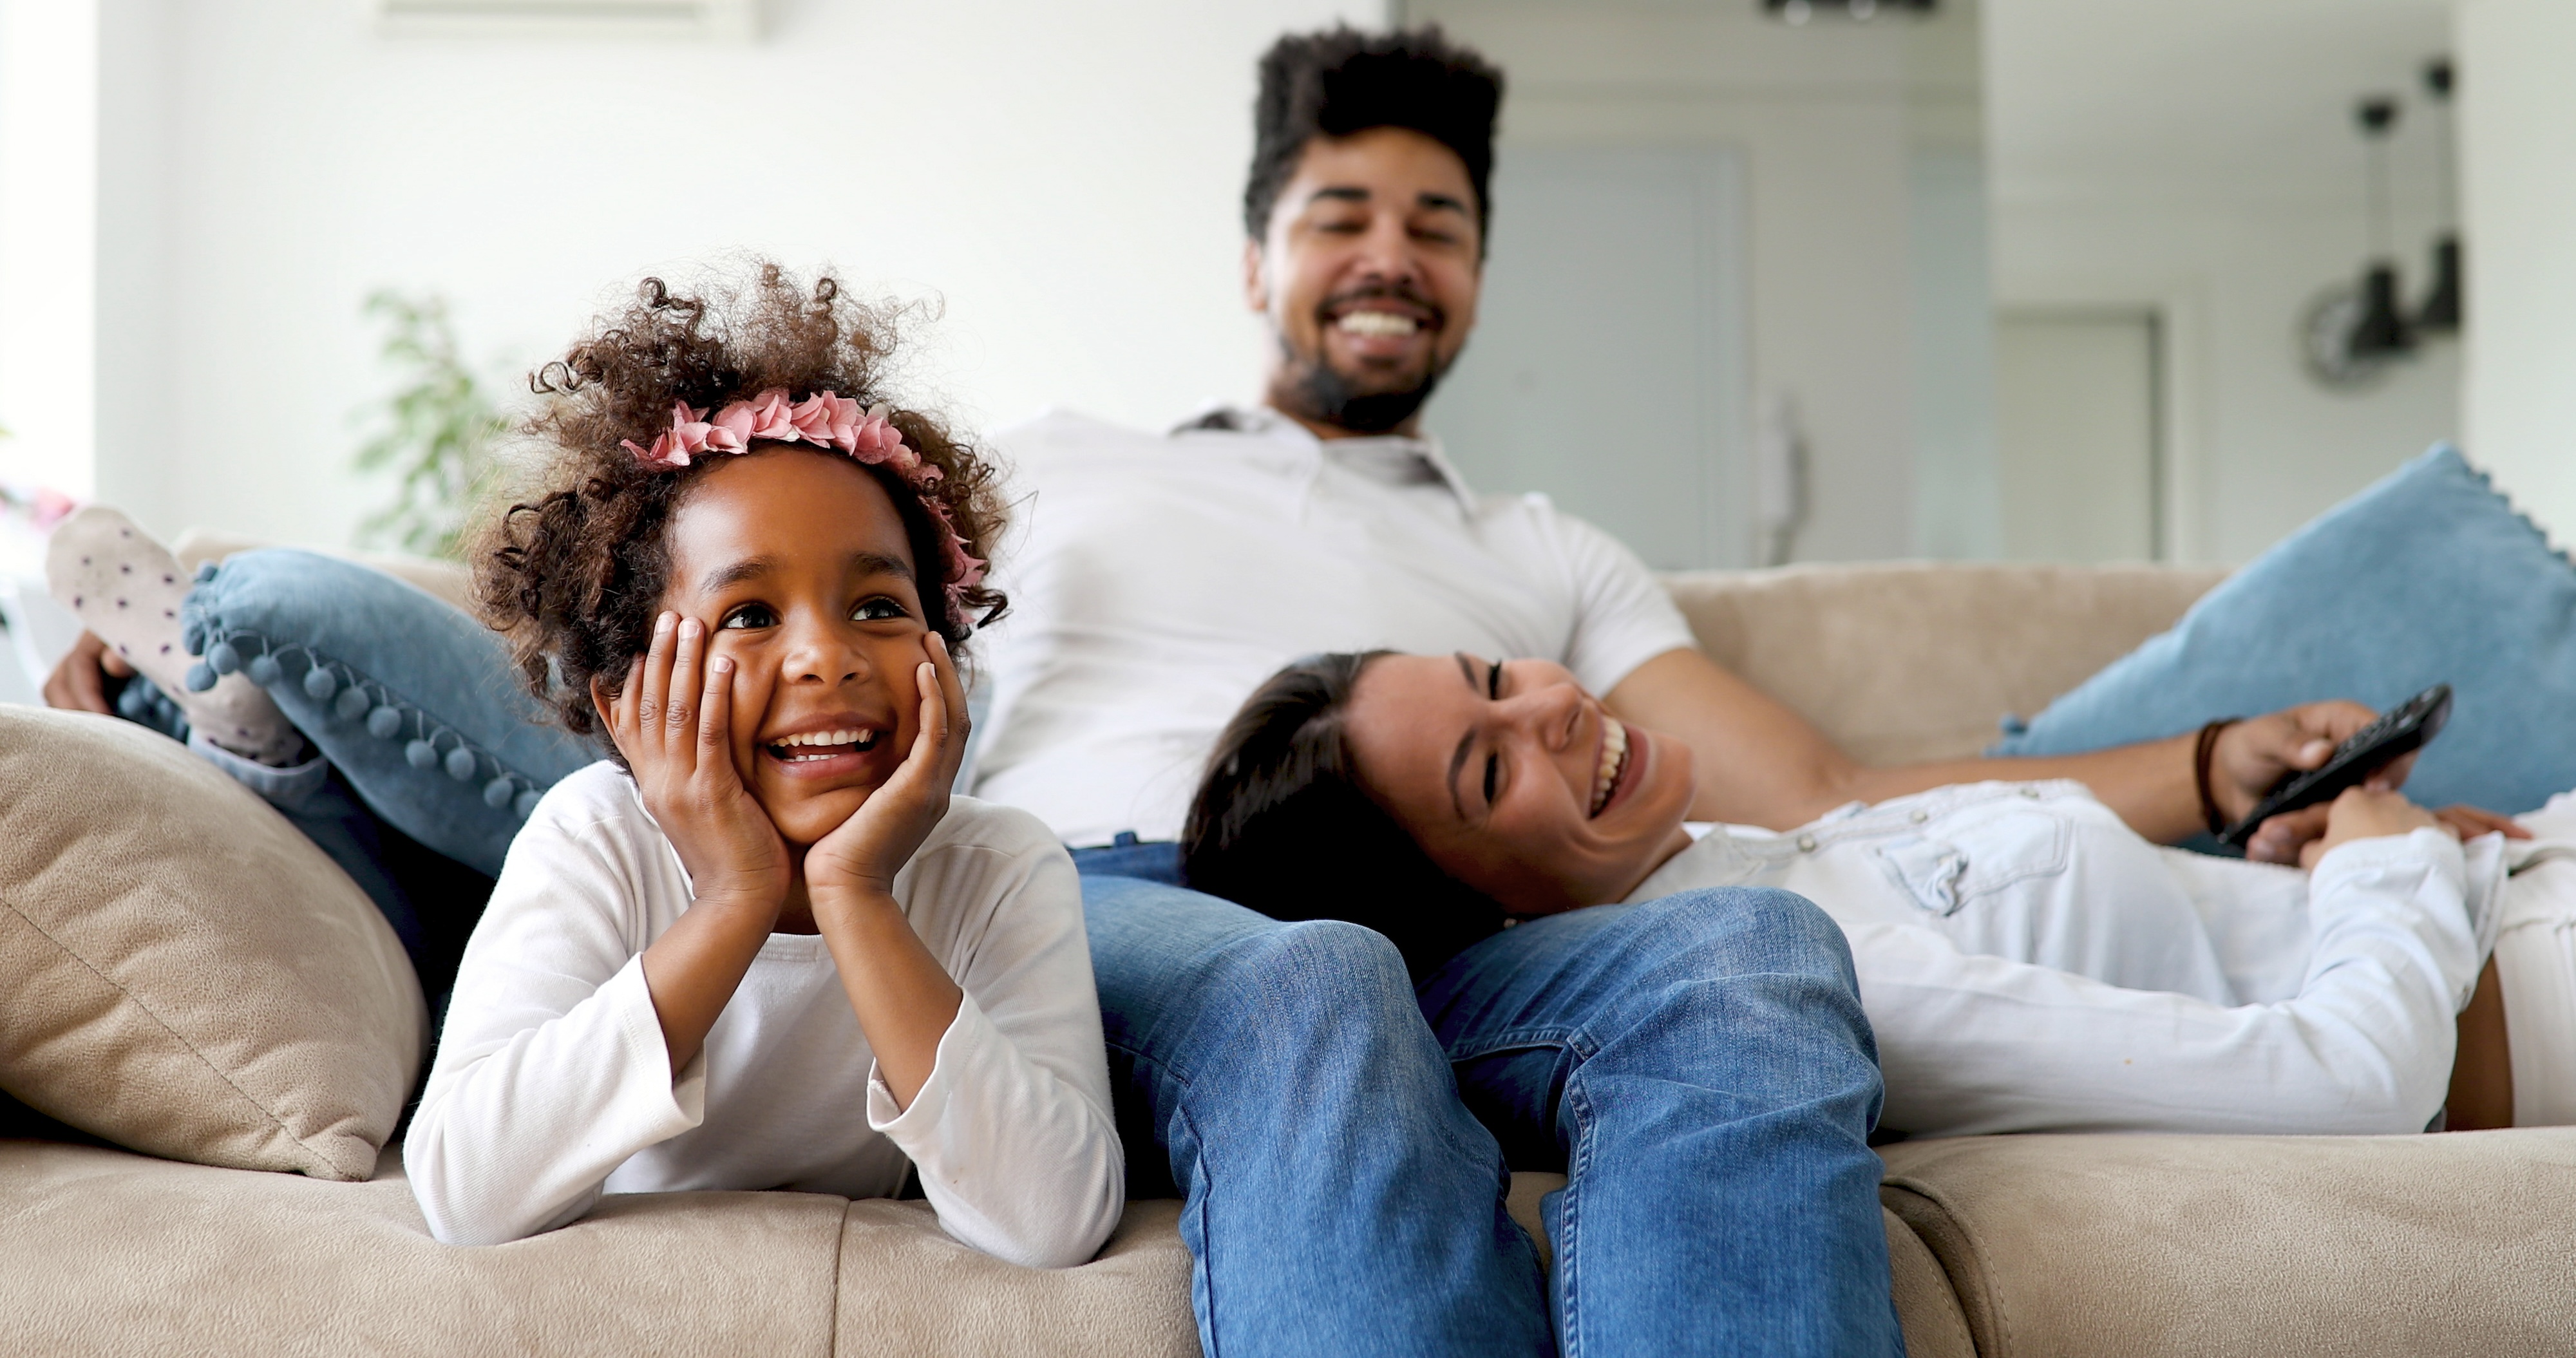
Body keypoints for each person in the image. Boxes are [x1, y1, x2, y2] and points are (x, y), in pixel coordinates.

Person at [25, 21, 2496, 1357]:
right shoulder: (1041, 483)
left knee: (1759, 947)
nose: (1389, 252)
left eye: (1438, 217)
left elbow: (1817, 792)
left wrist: (2191, 769)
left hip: (1465, 915)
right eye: (1343, 212)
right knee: (1307, 976)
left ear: (1482, 272)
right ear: (1256, 261)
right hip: (1133, 898)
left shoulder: (1540, 564)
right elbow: (698, 662)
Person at [65, 269, 1128, 1262]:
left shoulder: (1001, 865)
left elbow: (1057, 1218)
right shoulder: (595, 834)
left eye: (880, 606)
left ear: (943, 655)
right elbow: (464, 1187)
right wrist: (735, 898)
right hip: (575, 904)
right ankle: (226, 710)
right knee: (403, 893)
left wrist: (853, 894)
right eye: (750, 613)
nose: (827, 655)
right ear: (624, 701)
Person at [1181, 650, 2575, 1140]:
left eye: (1496, 675)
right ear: (1472, 914)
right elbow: (2348, 1083)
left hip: (2504, 889)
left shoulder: (1744, 850)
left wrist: (2343, 863)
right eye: (1486, 774)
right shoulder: (1811, 983)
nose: (1551, 703)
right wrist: (2382, 864)